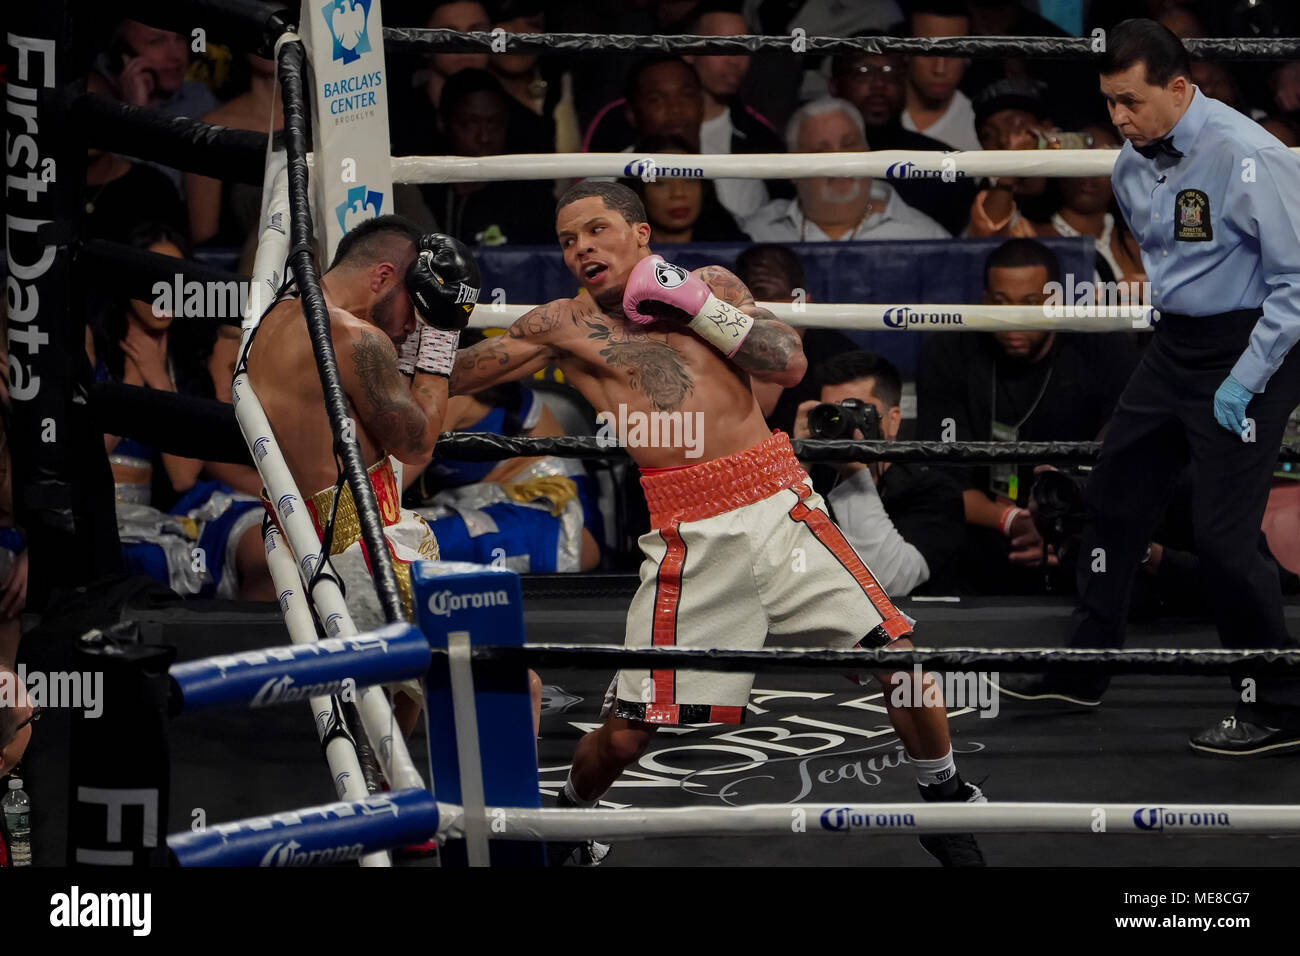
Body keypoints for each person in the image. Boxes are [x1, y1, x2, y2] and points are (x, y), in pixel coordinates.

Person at [451, 180, 988, 867]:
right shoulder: (563, 324)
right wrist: (443, 319)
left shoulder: (710, 283)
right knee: (624, 736)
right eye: (567, 240)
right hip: (688, 532)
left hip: (779, 502)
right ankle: (570, 822)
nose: (581, 247)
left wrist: (698, 306)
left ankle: (941, 795)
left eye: (595, 230)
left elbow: (788, 362)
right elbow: (455, 377)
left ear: (640, 234)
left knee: (898, 656)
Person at [993, 20, 1300, 757]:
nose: (1120, 119)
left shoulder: (1252, 155)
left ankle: (1280, 705)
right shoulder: (1132, 163)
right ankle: (1086, 666)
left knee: (1225, 542)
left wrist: (1243, 380)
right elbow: (1167, 265)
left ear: (1179, 89)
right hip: (1174, 348)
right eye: (1109, 102)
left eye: (1131, 101)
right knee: (1112, 501)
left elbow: (1296, 286)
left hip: (1255, 344)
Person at [246, 217, 471, 732]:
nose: (416, 321)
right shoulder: (353, 336)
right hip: (362, 549)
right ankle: (505, 817)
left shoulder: (279, 317)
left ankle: (397, 806)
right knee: (507, 687)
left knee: (392, 719)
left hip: (320, 536)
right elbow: (417, 443)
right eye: (416, 302)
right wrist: (442, 337)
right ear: (383, 275)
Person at [915, 239, 1138, 595]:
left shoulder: (1103, 347)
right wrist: (1012, 520)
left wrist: (1067, 523)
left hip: (1083, 524)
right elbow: (940, 479)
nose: (1014, 319)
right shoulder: (950, 350)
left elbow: (1124, 465)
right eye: (1001, 304)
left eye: (1030, 305)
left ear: (1056, 302)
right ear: (986, 302)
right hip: (980, 529)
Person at [87, 223, 271, 601]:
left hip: (153, 517)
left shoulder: (185, 360)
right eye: (153, 278)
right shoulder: (92, 345)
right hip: (92, 508)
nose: (163, 293)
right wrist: (133, 380)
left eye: (174, 280)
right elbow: (84, 453)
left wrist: (157, 377)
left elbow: (184, 476)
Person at [793, 351, 965, 596]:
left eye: (856, 411)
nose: (843, 423)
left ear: (893, 420)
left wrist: (852, 473)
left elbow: (890, 583)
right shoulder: (813, 480)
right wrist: (797, 462)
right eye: (832, 413)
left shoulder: (935, 491)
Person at [743, 98, 950, 242]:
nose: (839, 160)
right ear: (792, 170)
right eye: (820, 151)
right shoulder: (758, 233)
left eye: (849, 145)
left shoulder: (924, 235)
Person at [828, 37, 976, 236]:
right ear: (834, 86)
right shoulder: (807, 160)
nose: (879, 84)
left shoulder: (943, 165)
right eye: (863, 72)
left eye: (892, 73)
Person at [420, 69, 559, 246]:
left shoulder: (531, 199)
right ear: (443, 122)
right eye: (470, 123)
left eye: (494, 123)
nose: (484, 137)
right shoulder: (423, 187)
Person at [733, 243, 857, 434]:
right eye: (757, 320)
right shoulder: (710, 359)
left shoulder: (841, 360)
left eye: (780, 316)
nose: (769, 334)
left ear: (805, 304)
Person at [622, 135, 747, 243]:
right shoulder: (615, 255)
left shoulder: (737, 250)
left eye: (690, 180)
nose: (678, 193)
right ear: (638, 192)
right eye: (661, 183)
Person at [901, 1, 981, 152]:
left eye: (953, 52)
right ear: (905, 50)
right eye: (927, 52)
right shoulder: (874, 117)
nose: (940, 69)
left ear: (969, 55)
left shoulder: (981, 128)